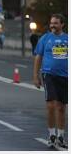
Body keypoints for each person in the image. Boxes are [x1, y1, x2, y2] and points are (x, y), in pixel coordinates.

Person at [33, 14, 68, 148]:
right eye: (51, 23)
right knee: (51, 105)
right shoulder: (45, 38)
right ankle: (51, 135)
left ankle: (60, 136)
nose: (52, 25)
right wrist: (35, 76)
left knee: (61, 107)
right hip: (49, 75)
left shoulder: (68, 39)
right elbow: (38, 57)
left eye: (56, 23)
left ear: (62, 24)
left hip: (65, 77)